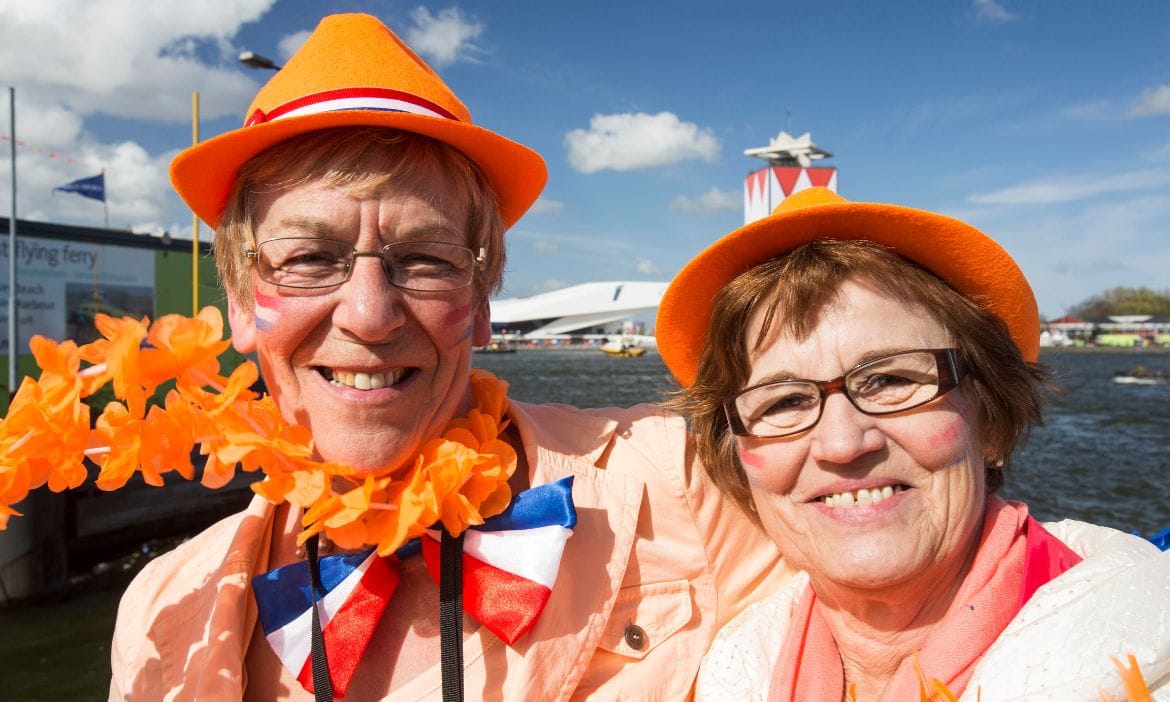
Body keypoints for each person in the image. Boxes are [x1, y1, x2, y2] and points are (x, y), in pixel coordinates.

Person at [106, 13, 792, 701]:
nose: (369, 314)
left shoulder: (683, 484)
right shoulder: (163, 612)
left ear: (482, 300)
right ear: (239, 302)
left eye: (426, 260)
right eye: (310, 258)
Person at [656, 187, 1170, 700]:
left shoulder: (1147, 649)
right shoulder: (739, 667)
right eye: (784, 402)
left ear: (990, 420)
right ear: (738, 460)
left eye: (890, 380)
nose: (842, 444)